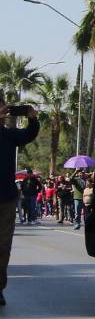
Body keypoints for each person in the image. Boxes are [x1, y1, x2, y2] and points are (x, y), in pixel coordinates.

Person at [1, 103, 40, 306]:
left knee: (3, 246)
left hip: (6, 198)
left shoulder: (8, 135)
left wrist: (32, 118)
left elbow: (28, 134)